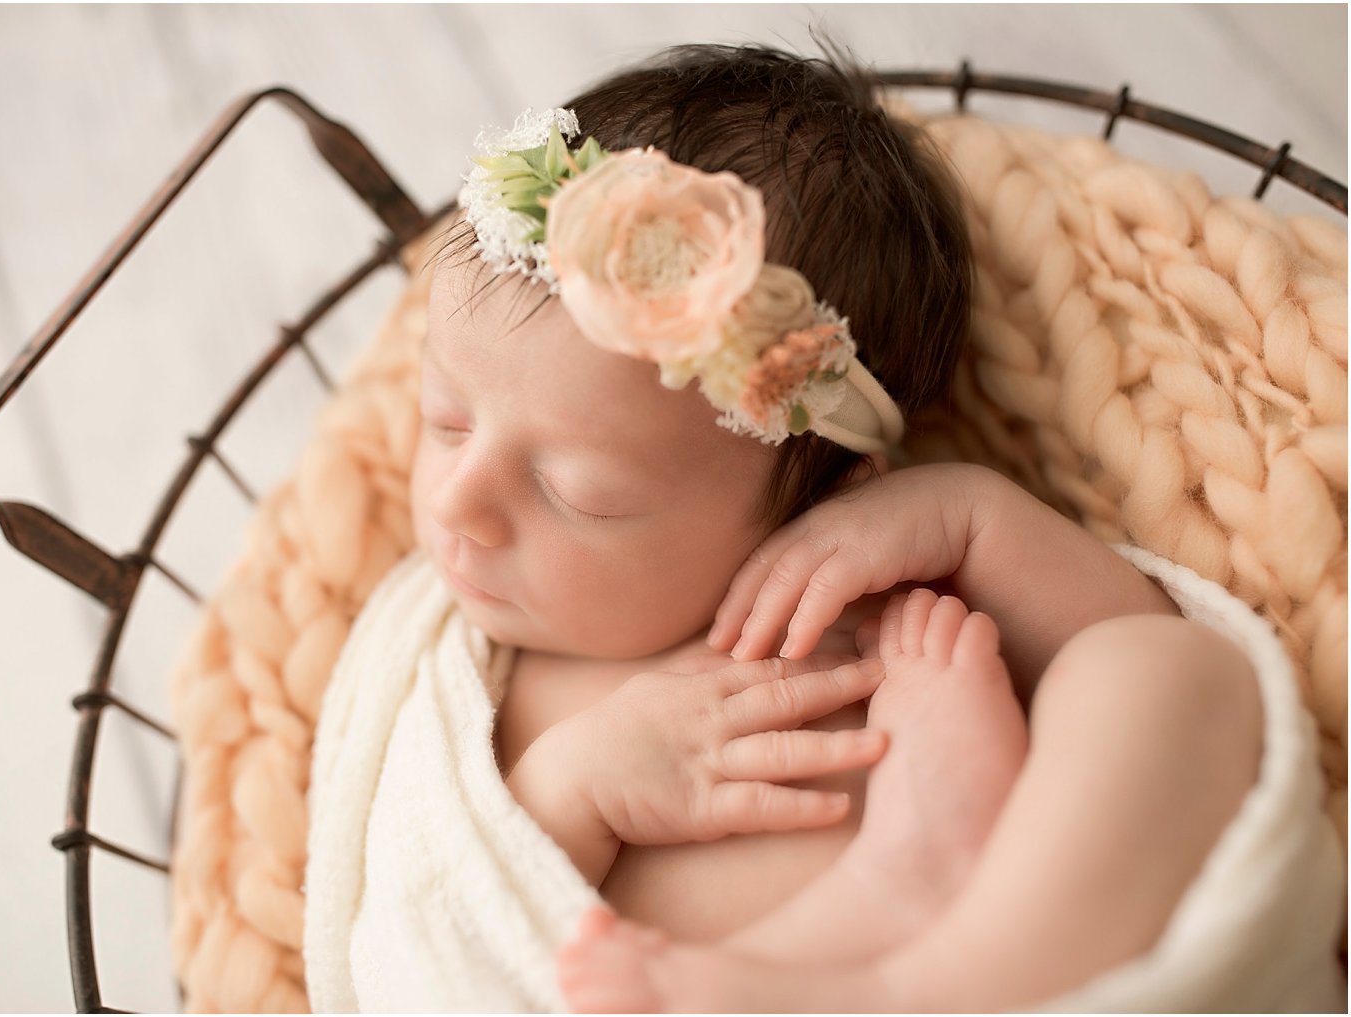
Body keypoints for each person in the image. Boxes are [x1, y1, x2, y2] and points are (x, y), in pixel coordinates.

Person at [405, 42, 1267, 1011]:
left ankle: (927, 967)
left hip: (1014, 957)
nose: (454, 502)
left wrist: (971, 523)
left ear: (827, 495)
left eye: (579, 492)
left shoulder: (867, 592)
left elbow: (1125, 634)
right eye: (441, 418)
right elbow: (414, 945)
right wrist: (569, 795)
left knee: (1174, 674)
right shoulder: (465, 686)